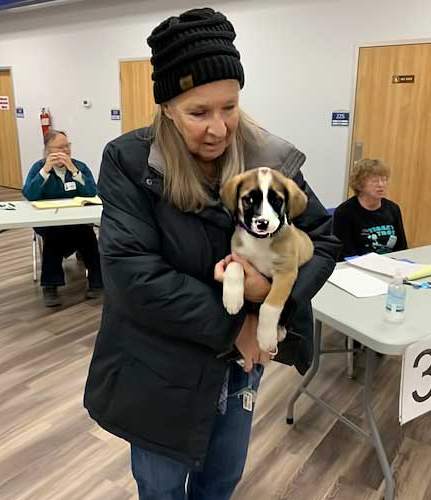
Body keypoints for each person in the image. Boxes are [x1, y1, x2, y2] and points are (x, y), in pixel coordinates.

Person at [84, 8, 340, 500]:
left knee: (221, 481)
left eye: (229, 107)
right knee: (160, 487)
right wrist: (236, 326)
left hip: (238, 369)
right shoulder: (130, 161)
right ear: (166, 108)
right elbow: (132, 275)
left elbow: (323, 240)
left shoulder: (267, 158)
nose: (219, 128)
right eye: (198, 112)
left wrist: (271, 293)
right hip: (159, 366)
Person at [23, 130, 103, 307]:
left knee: (88, 236)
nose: (65, 150)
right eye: (60, 147)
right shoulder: (38, 168)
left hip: (76, 221)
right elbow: (30, 194)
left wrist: (73, 171)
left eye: (67, 146)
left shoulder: (79, 166)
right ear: (47, 150)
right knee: (54, 236)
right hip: (49, 222)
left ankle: (98, 283)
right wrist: (45, 171)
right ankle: (50, 286)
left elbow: (91, 192)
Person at [333, 158, 408, 260]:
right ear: (360, 184)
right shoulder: (345, 212)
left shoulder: (393, 209)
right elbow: (345, 254)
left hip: (390, 265)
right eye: (375, 181)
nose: (381, 185)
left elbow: (402, 248)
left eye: (384, 179)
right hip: (359, 268)